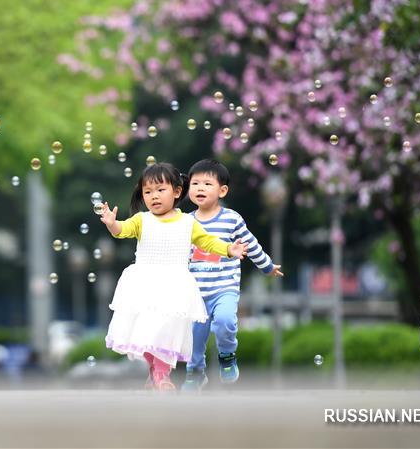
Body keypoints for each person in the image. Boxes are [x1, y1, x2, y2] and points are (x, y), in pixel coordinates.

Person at [99, 162, 247, 391]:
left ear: (177, 192)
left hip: (175, 287)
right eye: (147, 192)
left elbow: (207, 242)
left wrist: (229, 249)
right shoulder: (142, 220)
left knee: (166, 331)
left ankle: (161, 374)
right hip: (145, 285)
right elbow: (123, 229)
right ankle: (155, 372)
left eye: (160, 190)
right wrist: (112, 224)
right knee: (148, 332)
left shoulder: (189, 223)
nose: (153, 196)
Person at [181, 159, 283, 390]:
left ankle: (227, 355)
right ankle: (195, 372)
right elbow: (177, 254)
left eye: (207, 184)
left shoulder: (232, 219)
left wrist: (266, 265)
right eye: (195, 183)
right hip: (195, 293)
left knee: (225, 322)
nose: (199, 188)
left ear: (222, 190)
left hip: (223, 288)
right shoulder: (185, 222)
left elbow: (251, 244)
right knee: (194, 337)